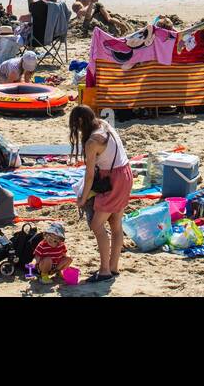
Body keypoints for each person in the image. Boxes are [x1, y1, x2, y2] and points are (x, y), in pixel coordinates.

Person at [70, 104, 131, 283]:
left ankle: (104, 271)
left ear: (80, 122)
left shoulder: (92, 142)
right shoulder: (103, 124)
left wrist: (82, 198)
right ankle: (113, 267)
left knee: (97, 225)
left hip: (114, 180)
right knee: (115, 223)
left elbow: (89, 176)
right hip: (126, 173)